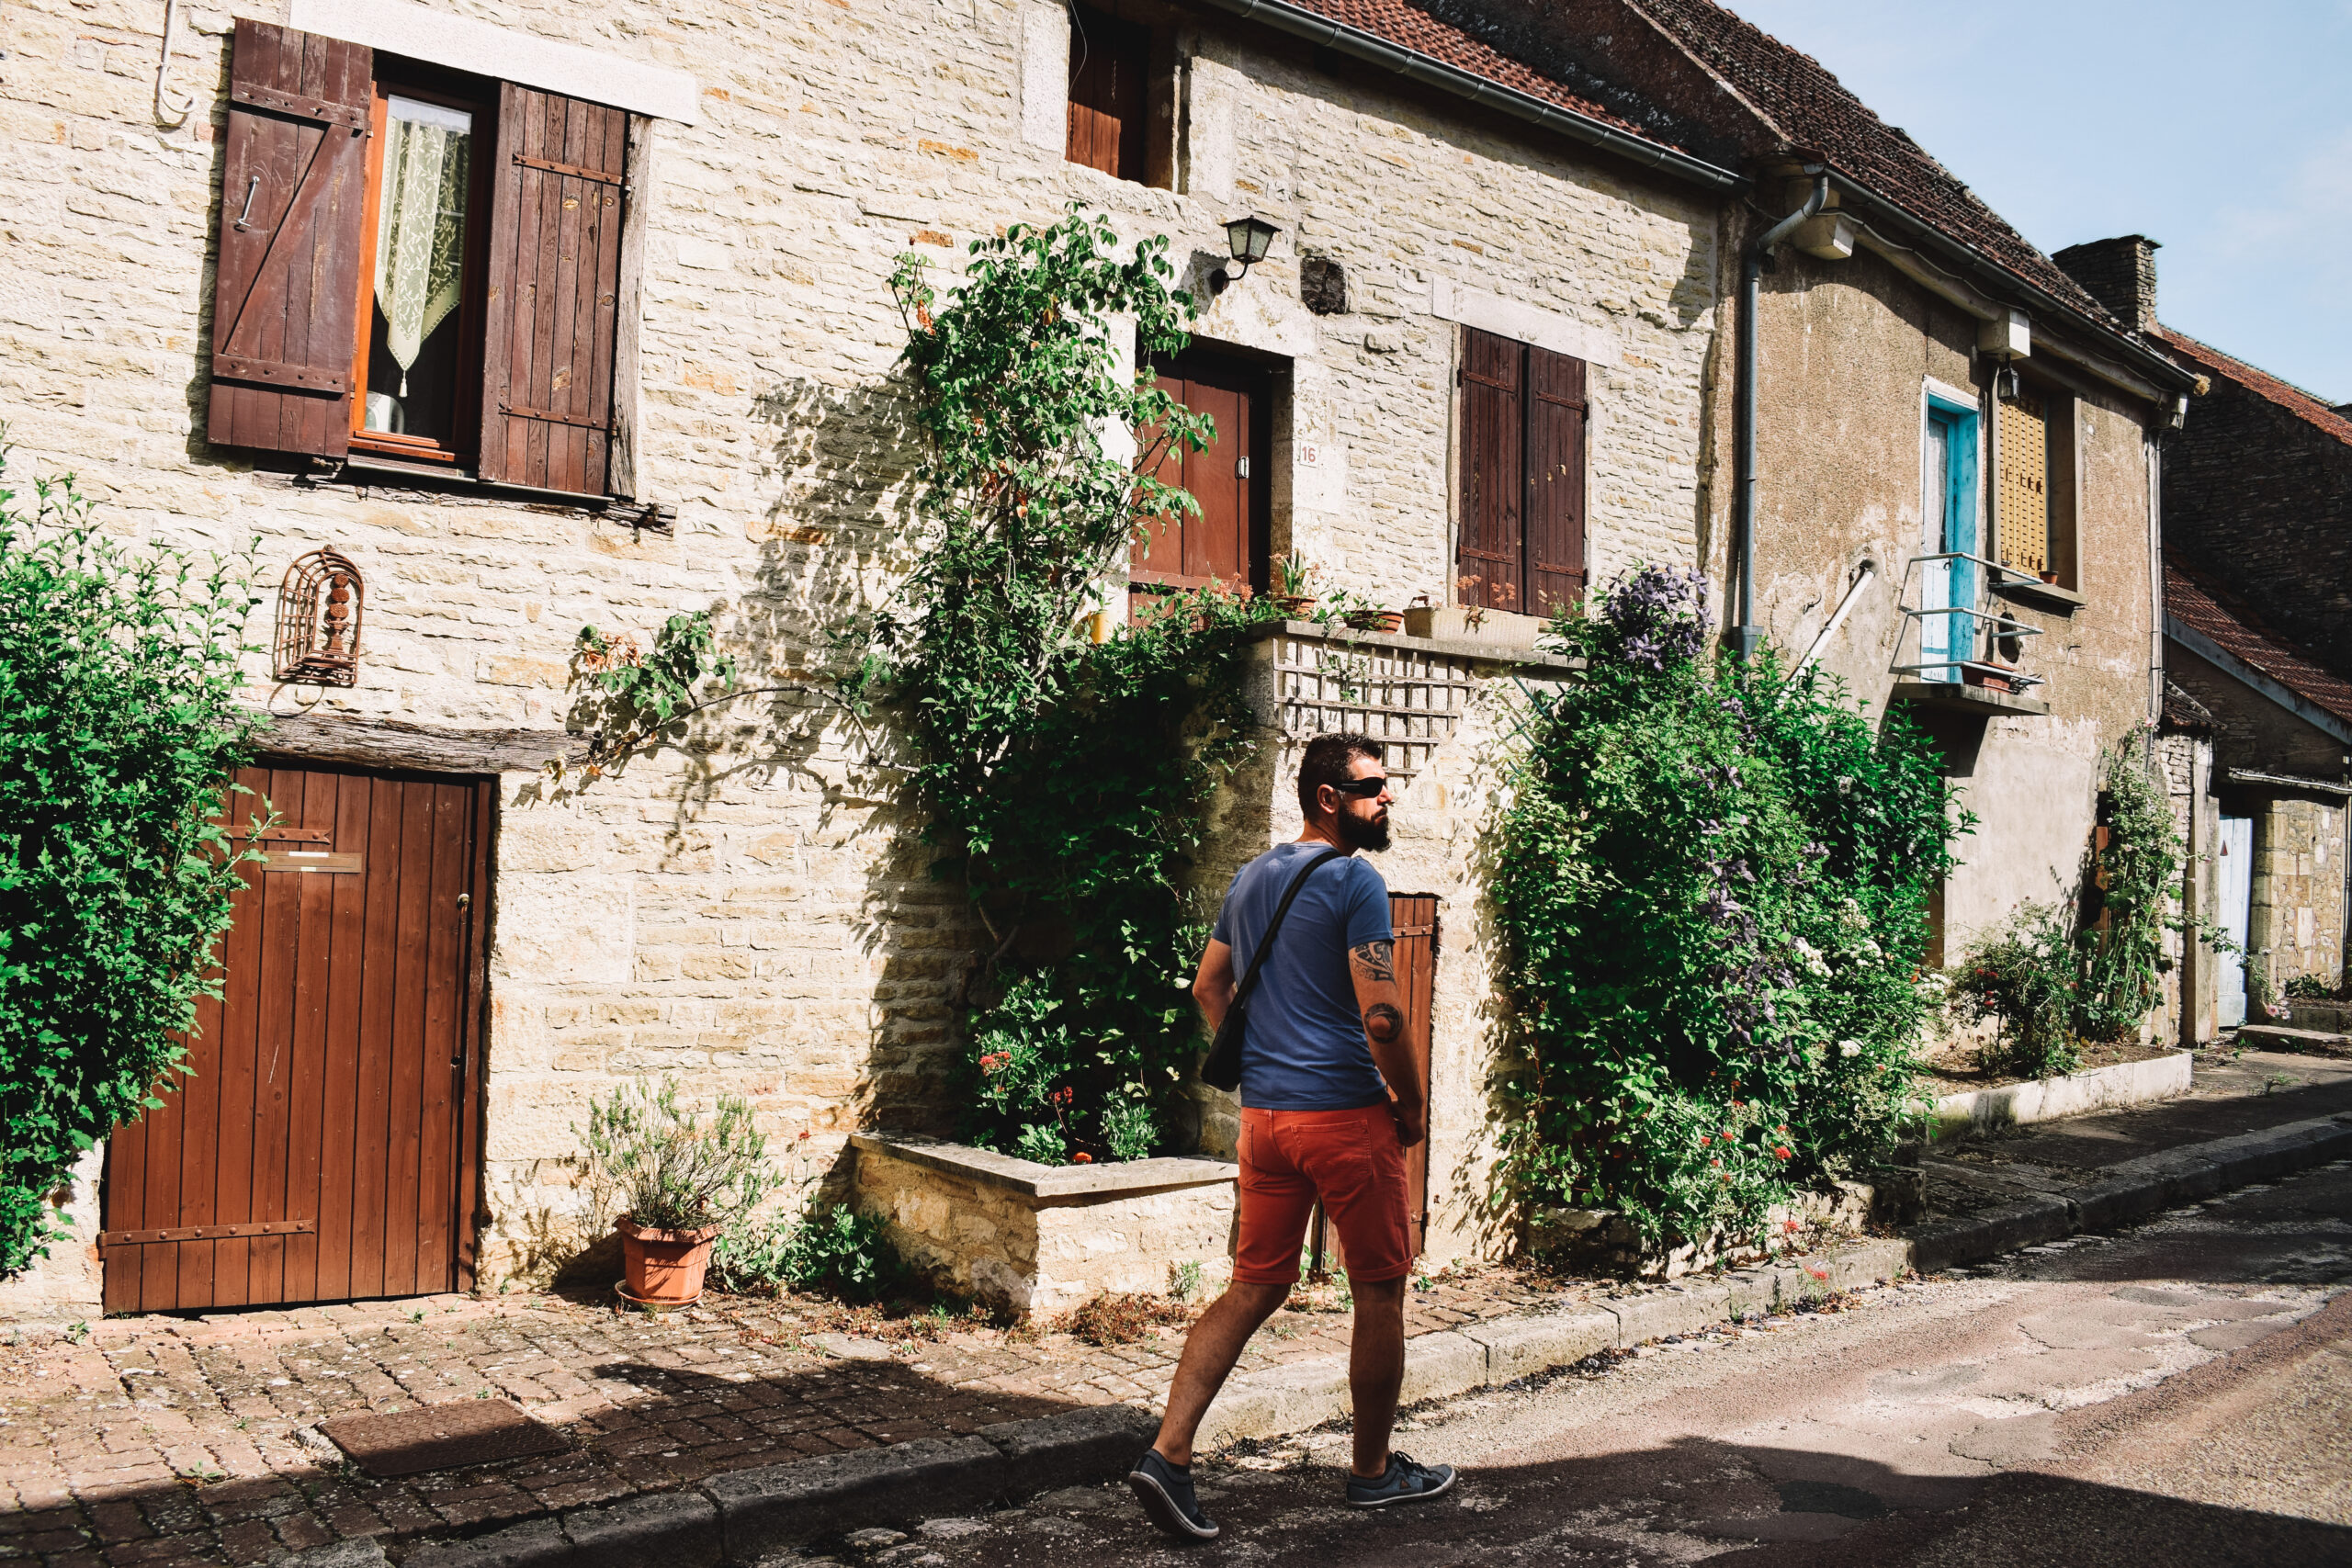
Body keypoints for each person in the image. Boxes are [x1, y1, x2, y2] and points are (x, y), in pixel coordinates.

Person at [1127, 732, 1457, 1540]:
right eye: (1373, 787)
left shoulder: (1252, 876)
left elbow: (1211, 985)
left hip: (1266, 1122)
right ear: (1326, 798)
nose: (1388, 799)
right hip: (1345, 1116)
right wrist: (1410, 1104)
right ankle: (1374, 1472)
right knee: (1379, 1288)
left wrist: (1263, 1064)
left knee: (1253, 1285)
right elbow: (1381, 1011)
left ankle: (1167, 1454)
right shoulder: (1355, 879)